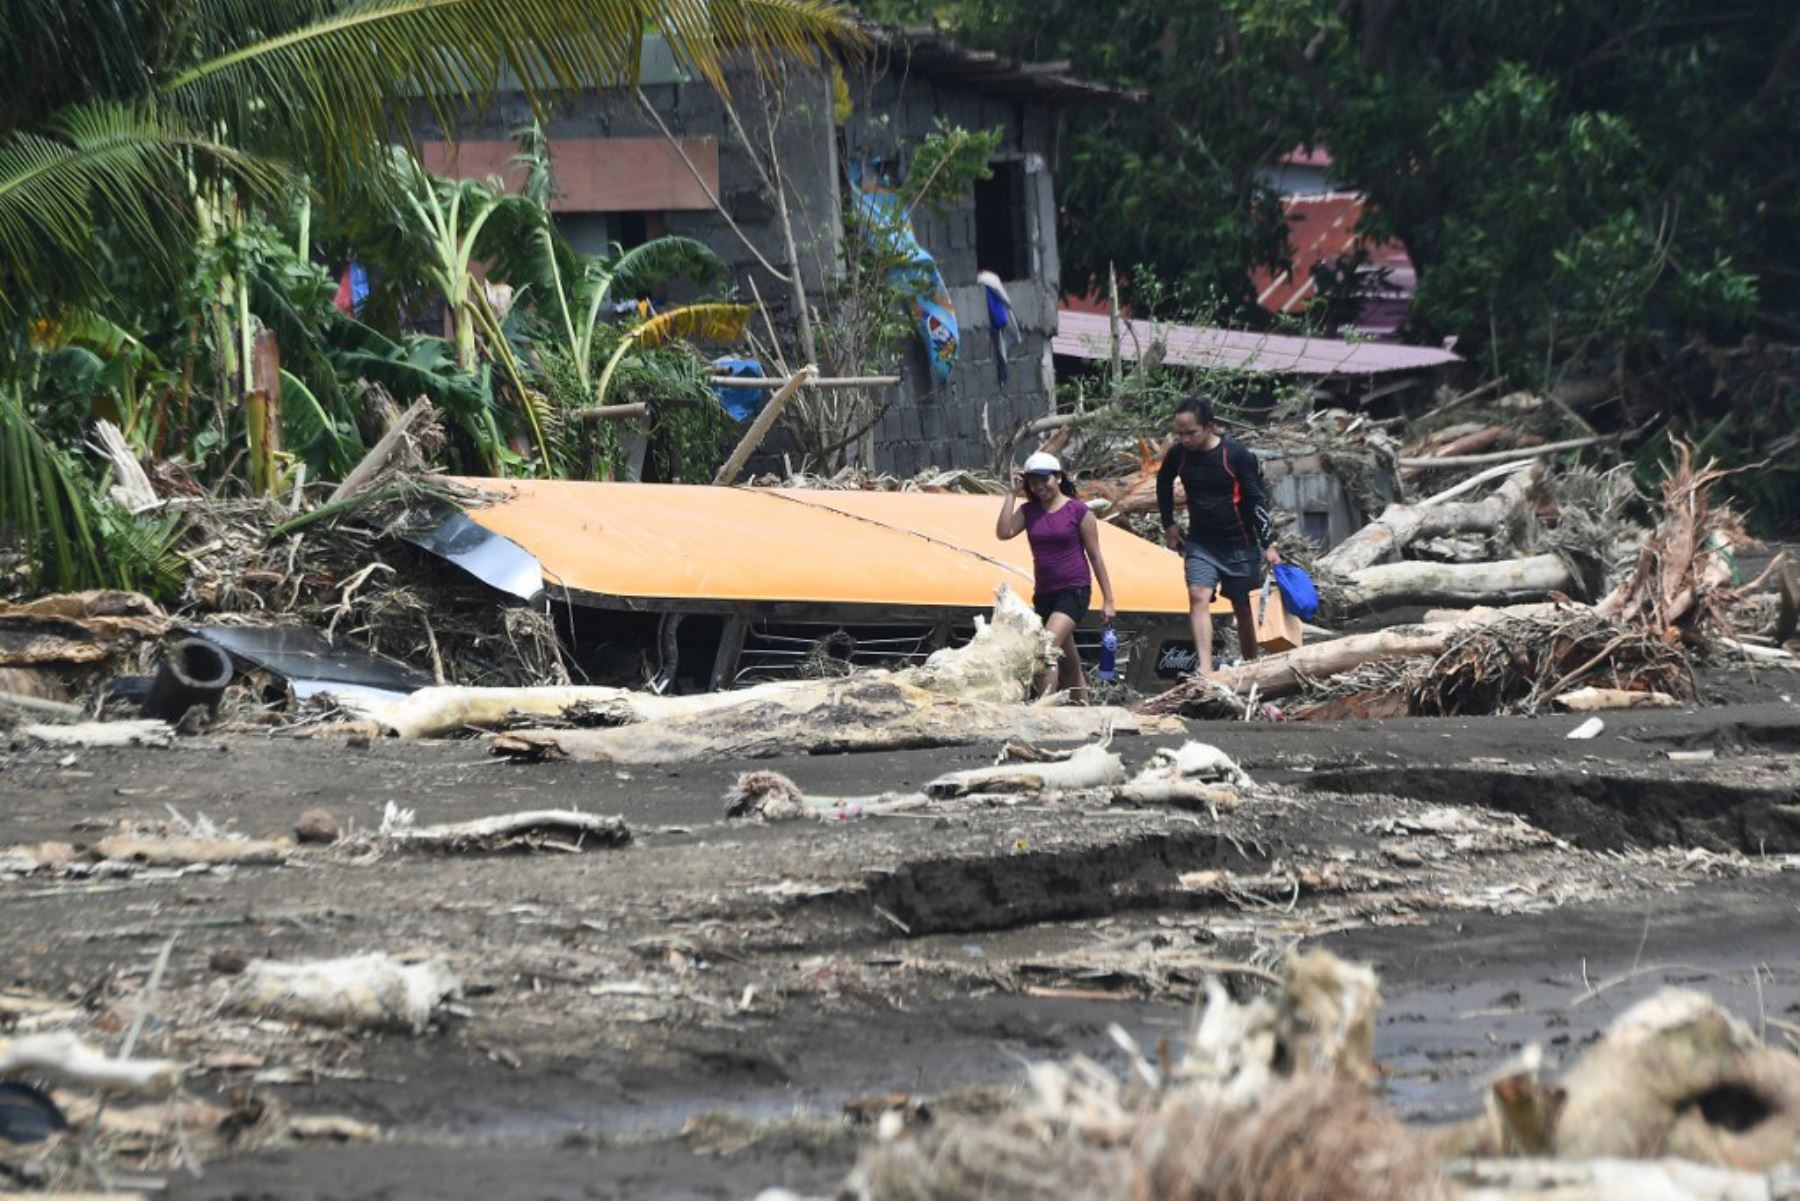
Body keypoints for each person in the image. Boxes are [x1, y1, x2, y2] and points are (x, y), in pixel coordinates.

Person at [1155, 398, 1280, 676]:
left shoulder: (1235, 455)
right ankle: (1206, 668)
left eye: (1191, 433)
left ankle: (1250, 665)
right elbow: (1163, 484)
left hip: (1240, 544)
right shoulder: (1179, 455)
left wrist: (1268, 543)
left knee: (1242, 607)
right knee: (1198, 594)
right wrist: (1169, 524)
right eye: (1180, 434)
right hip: (1201, 543)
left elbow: (1255, 500)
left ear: (1210, 427)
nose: (1185, 439)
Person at [996, 450, 1117, 702]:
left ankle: (1043, 710)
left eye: (1045, 480)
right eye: (1034, 482)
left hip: (1074, 590)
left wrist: (1108, 600)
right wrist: (1011, 494)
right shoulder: (1030, 511)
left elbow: (1095, 556)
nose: (1040, 487)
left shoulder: (1078, 512)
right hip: (1044, 593)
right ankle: (1084, 708)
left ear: (1058, 478)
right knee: (1068, 660)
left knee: (1046, 650)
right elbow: (1004, 532)